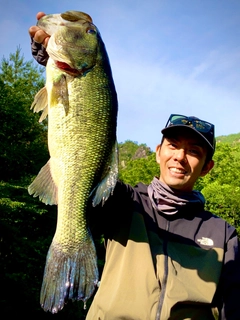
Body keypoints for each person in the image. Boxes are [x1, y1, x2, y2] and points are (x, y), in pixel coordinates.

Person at [29, 13, 240, 320]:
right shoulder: (125, 204)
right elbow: (85, 184)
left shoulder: (224, 235)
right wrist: (51, 61)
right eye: (173, 146)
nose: (180, 157)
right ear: (158, 153)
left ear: (207, 168)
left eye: (194, 151)